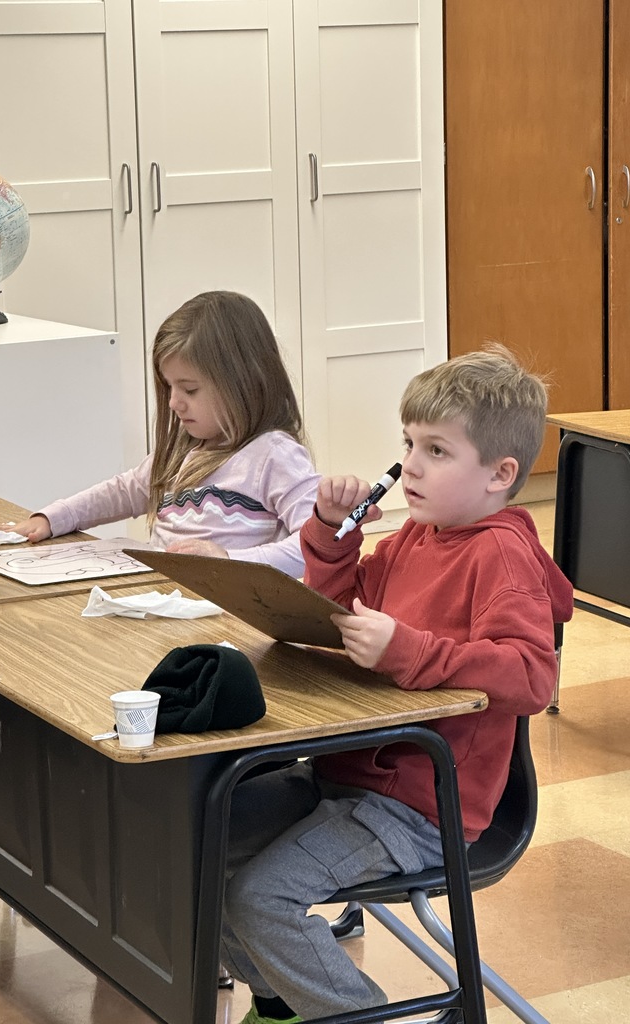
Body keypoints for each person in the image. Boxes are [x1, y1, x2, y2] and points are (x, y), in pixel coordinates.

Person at [219, 345, 574, 1024]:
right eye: (408, 443)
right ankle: (284, 1005)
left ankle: (358, 1016)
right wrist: (328, 533)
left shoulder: (501, 555)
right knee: (200, 834)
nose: (409, 465)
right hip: (349, 773)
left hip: (419, 806)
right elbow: (341, 612)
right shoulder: (417, 536)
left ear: (501, 475)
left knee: (260, 896)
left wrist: (409, 650)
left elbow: (532, 676)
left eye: (436, 450)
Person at [0, 291, 319, 579]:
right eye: (169, 387)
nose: (174, 402)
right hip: (167, 600)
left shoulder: (274, 455)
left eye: (189, 389)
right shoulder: (184, 449)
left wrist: (228, 561)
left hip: (228, 623)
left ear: (244, 382)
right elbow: (122, 491)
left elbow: (313, 547)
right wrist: (53, 518)